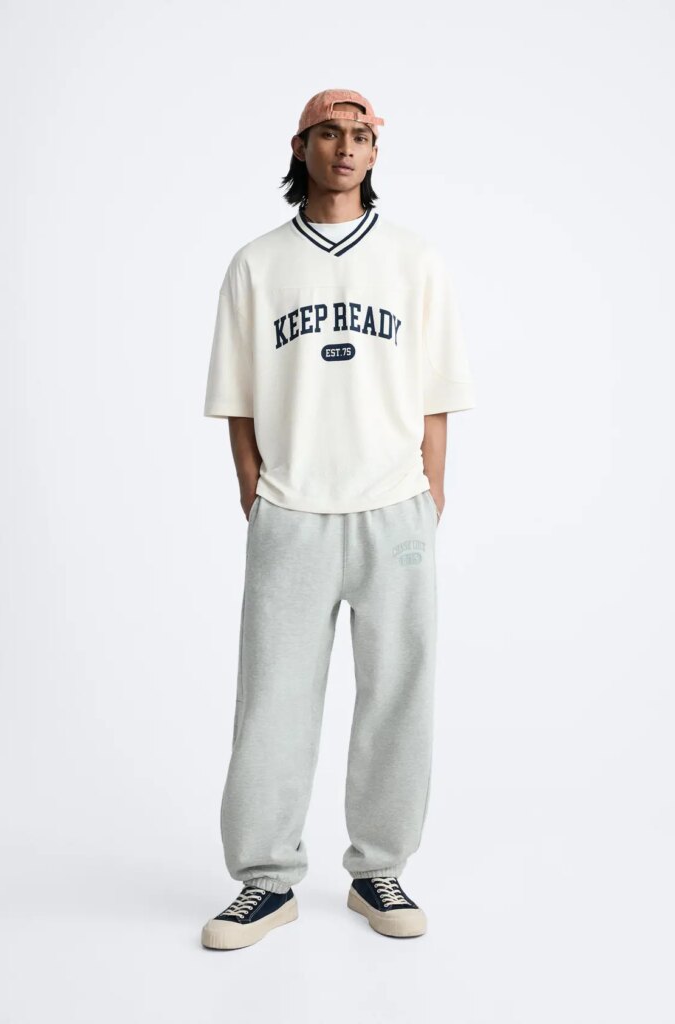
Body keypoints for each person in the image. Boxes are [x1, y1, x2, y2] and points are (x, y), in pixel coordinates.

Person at [200, 88, 475, 950]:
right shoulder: (256, 264)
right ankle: (265, 881)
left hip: (394, 510)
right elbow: (239, 396)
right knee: (272, 702)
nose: (346, 148)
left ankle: (377, 872)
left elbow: (435, 392)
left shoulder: (412, 258)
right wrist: (253, 489)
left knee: (399, 696)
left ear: (374, 152)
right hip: (292, 512)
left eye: (360, 136)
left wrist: (430, 493)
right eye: (329, 134)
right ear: (301, 146)